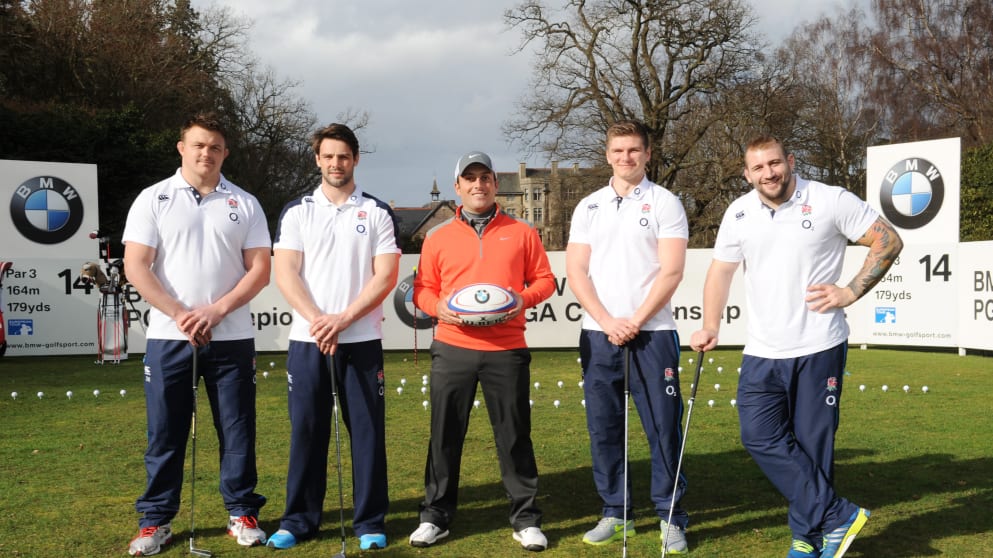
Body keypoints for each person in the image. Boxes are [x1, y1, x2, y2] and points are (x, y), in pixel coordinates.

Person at [689, 135, 903, 558]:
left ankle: (808, 538)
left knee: (812, 444)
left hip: (819, 344)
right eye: (758, 167)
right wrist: (709, 324)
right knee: (757, 436)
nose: (769, 173)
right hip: (762, 350)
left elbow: (888, 240)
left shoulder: (829, 200)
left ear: (789, 161)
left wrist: (850, 291)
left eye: (775, 163)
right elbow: (720, 272)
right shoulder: (740, 212)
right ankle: (838, 515)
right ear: (746, 173)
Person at [123, 112, 271, 555]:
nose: (207, 153)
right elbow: (136, 265)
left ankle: (241, 513)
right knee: (165, 432)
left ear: (225, 153)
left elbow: (260, 269)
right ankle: (156, 521)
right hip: (170, 337)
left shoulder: (245, 203)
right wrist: (181, 313)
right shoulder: (154, 198)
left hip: (231, 338)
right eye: (199, 145)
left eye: (215, 146)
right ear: (182, 148)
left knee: (238, 430)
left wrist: (217, 310)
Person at [408, 151, 555, 552]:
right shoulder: (438, 236)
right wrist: (438, 308)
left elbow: (545, 280)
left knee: (513, 436)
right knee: (444, 435)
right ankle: (435, 516)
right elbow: (422, 289)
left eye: (485, 177)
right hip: (453, 347)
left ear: (494, 184)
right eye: (469, 178)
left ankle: (525, 519)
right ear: (457, 187)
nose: (478, 185)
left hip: (506, 349)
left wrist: (519, 301)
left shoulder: (522, 231)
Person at [266, 123, 400, 551]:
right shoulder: (297, 211)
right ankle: (299, 520)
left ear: (355, 159)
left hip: (360, 341)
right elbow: (285, 272)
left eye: (343, 156)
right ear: (317, 160)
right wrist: (318, 320)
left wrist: (342, 319)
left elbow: (385, 276)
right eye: (328, 156)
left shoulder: (377, 211)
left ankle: (370, 521)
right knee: (306, 430)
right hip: (308, 341)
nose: (336, 163)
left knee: (366, 433)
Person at [565, 119, 691, 554]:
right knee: (604, 428)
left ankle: (671, 516)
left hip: (652, 333)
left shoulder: (665, 202)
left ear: (648, 153)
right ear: (607, 155)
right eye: (618, 151)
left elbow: (672, 270)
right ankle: (616, 512)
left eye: (634, 150)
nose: (626, 158)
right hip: (599, 335)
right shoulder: (589, 206)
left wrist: (634, 319)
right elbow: (577, 271)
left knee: (663, 430)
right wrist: (605, 319)